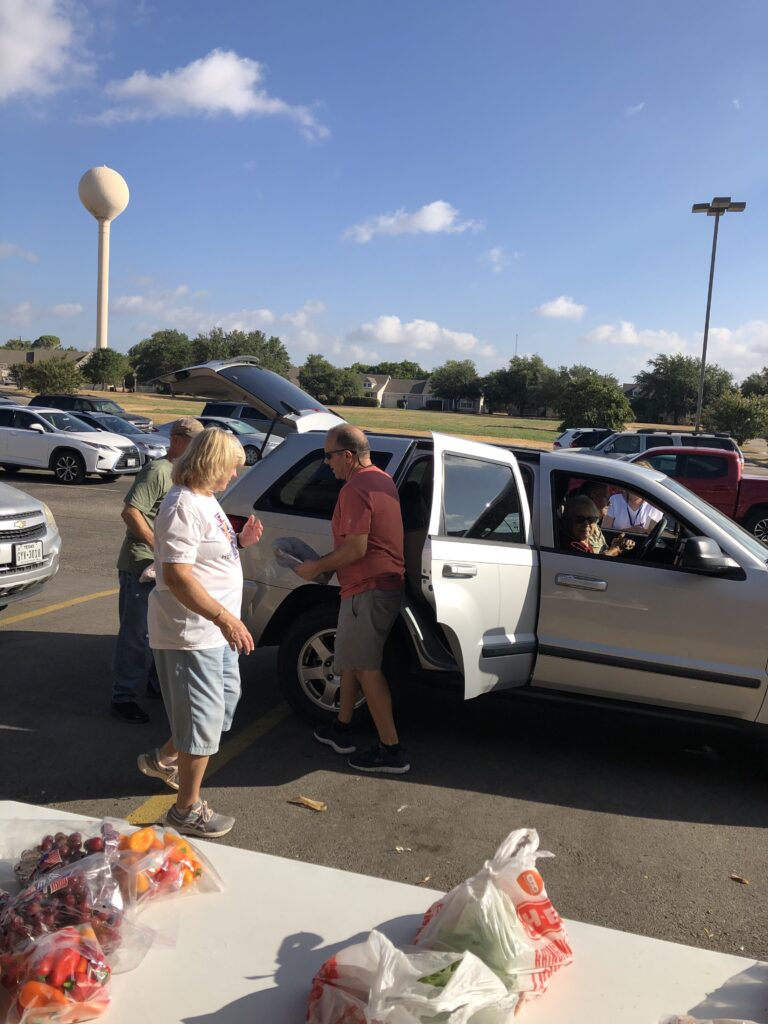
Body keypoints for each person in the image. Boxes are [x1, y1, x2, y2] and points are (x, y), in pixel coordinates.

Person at [138, 428, 263, 838]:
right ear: (212, 463)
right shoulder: (182, 505)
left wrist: (239, 544)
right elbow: (176, 576)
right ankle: (184, 810)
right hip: (192, 633)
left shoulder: (206, 500)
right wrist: (226, 618)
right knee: (203, 720)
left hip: (214, 633)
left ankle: (165, 758)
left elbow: (207, 558)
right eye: (231, 468)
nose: (233, 476)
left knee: (223, 706)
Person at [295, 425, 409, 775]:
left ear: (348, 455)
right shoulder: (381, 479)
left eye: (328, 456)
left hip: (370, 588)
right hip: (363, 586)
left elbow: (357, 548)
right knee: (349, 660)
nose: (326, 463)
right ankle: (342, 729)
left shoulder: (356, 488)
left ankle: (392, 751)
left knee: (366, 668)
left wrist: (316, 566)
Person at [111, 416, 205, 724]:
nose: (198, 450)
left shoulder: (182, 475)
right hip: (141, 565)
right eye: (194, 443)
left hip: (162, 568)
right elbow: (131, 512)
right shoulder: (158, 471)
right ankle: (123, 697)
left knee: (159, 632)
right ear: (177, 440)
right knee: (137, 634)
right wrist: (159, 547)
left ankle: (155, 685)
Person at [560, 495, 635, 556]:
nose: (586, 525)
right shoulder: (571, 546)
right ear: (569, 520)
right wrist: (617, 548)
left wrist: (615, 546)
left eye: (591, 519)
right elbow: (594, 566)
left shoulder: (583, 540)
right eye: (580, 519)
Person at [575, 481, 635, 557]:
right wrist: (617, 548)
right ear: (594, 496)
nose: (610, 503)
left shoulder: (594, 524)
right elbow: (594, 563)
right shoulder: (582, 527)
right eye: (607, 497)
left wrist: (615, 546)